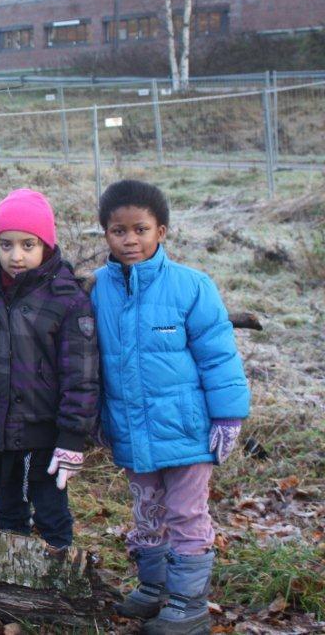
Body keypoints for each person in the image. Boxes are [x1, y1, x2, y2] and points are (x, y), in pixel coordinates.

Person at [91, 180, 250, 635]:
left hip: (187, 432)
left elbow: (219, 357)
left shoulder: (191, 287)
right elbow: (94, 362)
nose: (129, 239)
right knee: (146, 511)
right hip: (131, 430)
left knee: (185, 514)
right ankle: (155, 587)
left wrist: (228, 416)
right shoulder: (99, 289)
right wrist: (99, 415)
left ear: (161, 231)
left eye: (140, 229)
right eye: (118, 230)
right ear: (105, 234)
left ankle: (188, 603)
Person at [0, 188, 99, 552]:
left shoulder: (68, 299)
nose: (16, 256)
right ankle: (14, 576)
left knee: (52, 512)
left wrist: (72, 436)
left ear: (46, 246)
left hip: (46, 434)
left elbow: (81, 374)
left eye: (28, 245)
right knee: (8, 511)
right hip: (2, 429)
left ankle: (60, 576)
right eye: (5, 245)